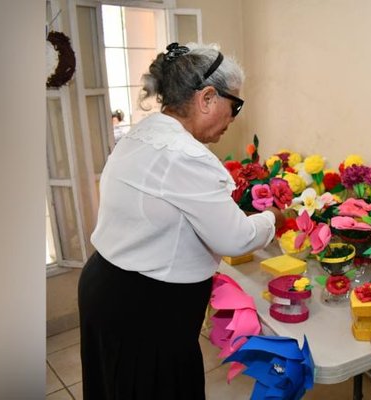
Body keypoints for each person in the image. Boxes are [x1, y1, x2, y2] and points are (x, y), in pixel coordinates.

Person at [78, 42, 284, 399]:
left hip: (107, 287)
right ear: (207, 98)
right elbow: (234, 240)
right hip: (145, 309)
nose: (233, 118)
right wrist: (273, 218)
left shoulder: (144, 135)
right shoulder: (185, 156)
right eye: (234, 105)